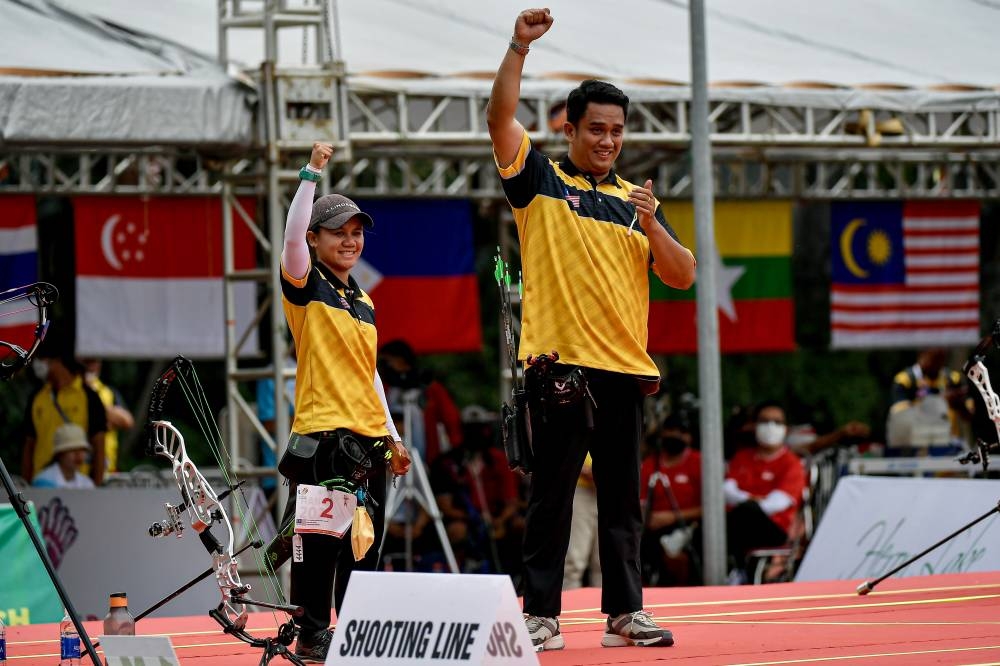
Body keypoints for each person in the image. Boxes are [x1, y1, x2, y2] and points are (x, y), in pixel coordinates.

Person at [486, 8, 696, 651]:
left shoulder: (637, 203)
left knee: (623, 502)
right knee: (551, 497)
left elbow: (684, 275)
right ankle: (542, 615)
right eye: (595, 129)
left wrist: (655, 221)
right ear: (569, 129)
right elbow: (498, 120)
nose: (607, 140)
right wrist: (518, 47)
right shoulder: (541, 181)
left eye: (617, 131)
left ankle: (625, 613)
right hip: (559, 367)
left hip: (626, 371)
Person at [274, 141, 412, 662]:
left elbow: (369, 373)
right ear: (315, 239)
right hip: (324, 437)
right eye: (338, 232)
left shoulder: (364, 300)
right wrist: (311, 173)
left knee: (364, 543)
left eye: (357, 234)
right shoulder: (305, 285)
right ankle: (311, 634)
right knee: (318, 545)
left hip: (368, 439)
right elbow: (290, 237)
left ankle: (357, 636)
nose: (351, 241)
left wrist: (394, 437)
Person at [724, 401, 806, 584]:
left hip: (774, 528)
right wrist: (751, 500)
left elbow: (776, 504)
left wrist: (747, 501)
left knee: (747, 512)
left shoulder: (792, 464)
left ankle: (739, 572)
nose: (770, 426)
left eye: (777, 422)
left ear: (785, 428)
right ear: (754, 425)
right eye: (765, 421)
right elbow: (726, 491)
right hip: (740, 523)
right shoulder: (742, 457)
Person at [23, 340, 107, 486]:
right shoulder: (37, 397)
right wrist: (26, 488)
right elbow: (29, 445)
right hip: (41, 485)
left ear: (57, 360)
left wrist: (96, 489)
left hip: (80, 486)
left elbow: (99, 448)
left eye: (39, 358)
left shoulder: (89, 397)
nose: (36, 363)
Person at [639, 415, 702, 586]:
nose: (674, 436)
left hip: (690, 527)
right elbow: (641, 501)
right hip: (653, 528)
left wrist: (672, 517)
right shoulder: (650, 465)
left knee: (675, 552)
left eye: (680, 432)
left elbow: (712, 508)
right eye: (670, 431)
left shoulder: (700, 462)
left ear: (689, 437)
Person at [378, 339, 463, 465]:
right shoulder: (384, 389)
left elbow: (451, 418)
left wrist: (456, 449)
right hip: (392, 460)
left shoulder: (429, 388)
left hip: (428, 459)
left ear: (401, 360)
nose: (384, 366)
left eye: (387, 361)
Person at [887, 348, 972, 455]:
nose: (937, 364)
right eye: (934, 358)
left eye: (942, 359)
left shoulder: (953, 379)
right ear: (922, 354)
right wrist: (940, 401)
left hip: (947, 444)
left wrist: (959, 404)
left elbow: (969, 415)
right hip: (915, 445)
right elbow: (900, 417)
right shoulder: (905, 380)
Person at [81, 358, 135, 475]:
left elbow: (127, 421)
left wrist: (97, 409)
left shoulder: (108, 392)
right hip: (78, 468)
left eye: (95, 361)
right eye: (87, 362)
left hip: (106, 467)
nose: (92, 366)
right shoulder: (70, 391)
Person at [562, 455, 600, 590]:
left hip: (610, 491)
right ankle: (570, 603)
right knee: (574, 561)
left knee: (604, 562)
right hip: (581, 488)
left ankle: (606, 607)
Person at [31, 423, 96, 489]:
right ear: (60, 454)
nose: (79, 455)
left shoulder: (87, 483)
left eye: (82, 450)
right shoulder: (43, 482)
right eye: (72, 450)